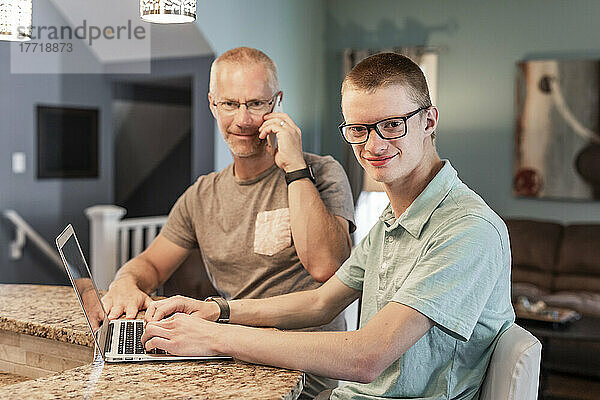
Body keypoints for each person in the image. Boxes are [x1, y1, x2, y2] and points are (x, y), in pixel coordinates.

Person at [140, 52, 515, 400]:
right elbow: (321, 302)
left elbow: (365, 357)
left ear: (429, 121)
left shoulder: (466, 228)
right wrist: (216, 311)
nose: (374, 144)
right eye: (359, 129)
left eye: (392, 125)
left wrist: (215, 337)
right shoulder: (394, 219)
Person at [102, 47, 355, 398]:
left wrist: (295, 168)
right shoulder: (202, 194)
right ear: (212, 104)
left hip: (306, 373)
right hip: (230, 354)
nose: (243, 120)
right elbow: (150, 264)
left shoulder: (322, 172)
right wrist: (125, 282)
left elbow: (327, 266)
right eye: (230, 104)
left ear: (277, 102)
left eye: (255, 103)